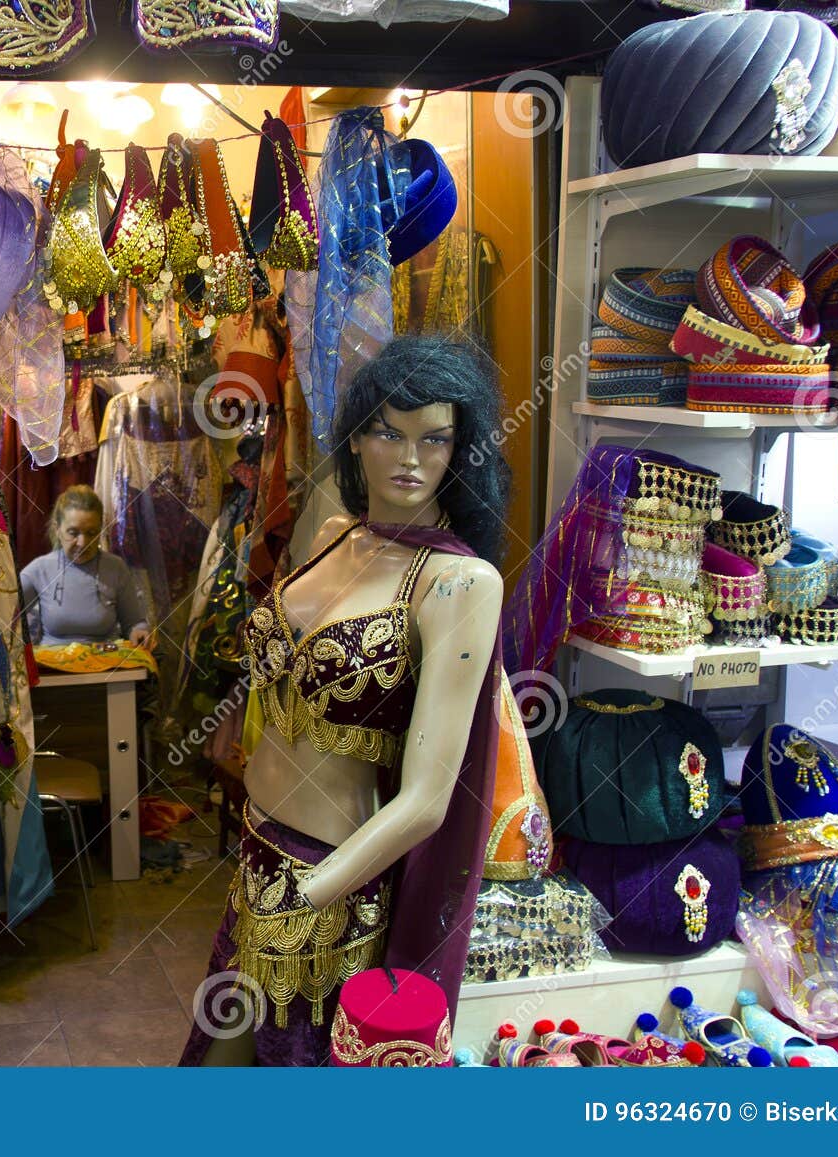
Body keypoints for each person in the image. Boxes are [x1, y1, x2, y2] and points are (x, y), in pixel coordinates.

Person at [181, 336, 511, 1067]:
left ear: (460, 451)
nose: (410, 458)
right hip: (257, 847)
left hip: (329, 878)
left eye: (435, 438)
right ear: (358, 437)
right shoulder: (337, 536)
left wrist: (312, 889)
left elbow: (428, 799)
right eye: (389, 431)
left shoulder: (458, 584)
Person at [20, 484, 152, 648]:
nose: (83, 543)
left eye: (91, 533)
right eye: (73, 533)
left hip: (106, 665)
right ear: (58, 529)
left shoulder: (116, 568)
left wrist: (139, 631)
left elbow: (134, 623)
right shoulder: (38, 570)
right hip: (53, 668)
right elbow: (4, 613)